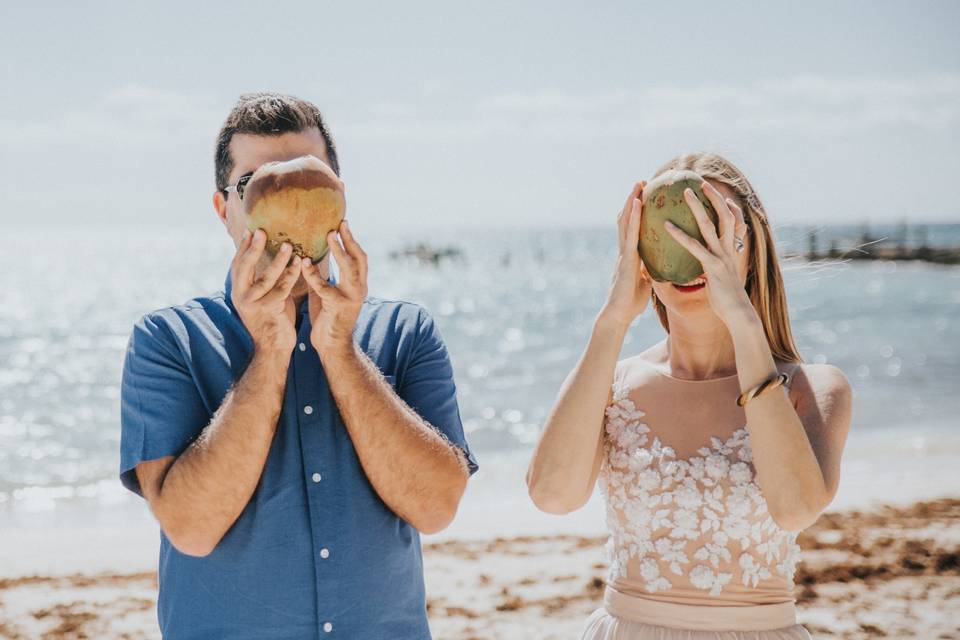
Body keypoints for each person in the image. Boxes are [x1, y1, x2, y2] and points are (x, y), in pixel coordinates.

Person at [118, 92, 479, 639]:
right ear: (225, 210)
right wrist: (269, 354)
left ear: (340, 198)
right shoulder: (169, 339)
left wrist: (340, 351)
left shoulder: (406, 332)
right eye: (256, 181)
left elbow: (436, 509)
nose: (286, 194)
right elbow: (191, 529)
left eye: (308, 178)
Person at [525, 153, 853, 639]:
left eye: (714, 228)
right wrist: (613, 318)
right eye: (672, 228)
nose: (693, 248)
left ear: (750, 247)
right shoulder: (614, 384)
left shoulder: (814, 388)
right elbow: (552, 495)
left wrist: (743, 320)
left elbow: (795, 508)